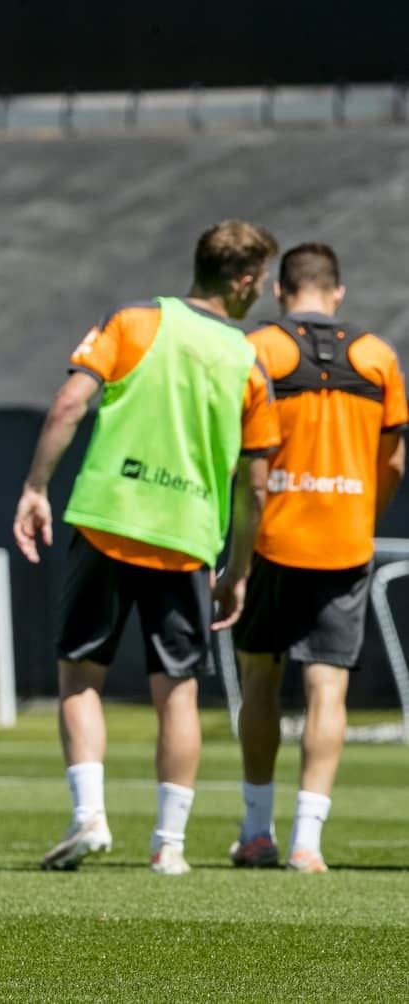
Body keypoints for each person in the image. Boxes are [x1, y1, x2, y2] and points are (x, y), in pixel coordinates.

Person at [12, 220, 281, 875]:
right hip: (185, 538)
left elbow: (68, 405)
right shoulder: (249, 362)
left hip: (107, 519)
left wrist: (35, 488)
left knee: (80, 677)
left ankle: (89, 818)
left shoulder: (134, 322)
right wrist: (239, 569)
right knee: (178, 691)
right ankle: (170, 847)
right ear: (243, 281)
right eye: (262, 281)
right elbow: (256, 485)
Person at [227, 243, 407, 873]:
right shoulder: (378, 357)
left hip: (273, 538)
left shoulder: (259, 352)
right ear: (338, 292)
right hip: (343, 541)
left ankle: (256, 832)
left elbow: (238, 452)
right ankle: (308, 842)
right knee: (327, 687)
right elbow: (394, 462)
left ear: (279, 289)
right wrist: (361, 515)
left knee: (259, 678)